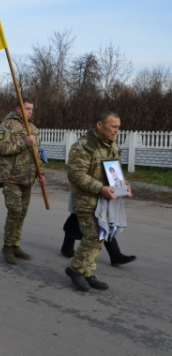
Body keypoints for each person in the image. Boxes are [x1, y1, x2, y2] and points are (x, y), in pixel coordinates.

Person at [65, 111, 132, 292]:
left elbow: (115, 170)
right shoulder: (84, 146)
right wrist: (100, 188)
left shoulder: (111, 144)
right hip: (86, 200)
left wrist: (124, 186)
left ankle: (88, 272)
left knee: (101, 236)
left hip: (105, 201)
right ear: (100, 125)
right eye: (114, 127)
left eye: (118, 127)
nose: (117, 131)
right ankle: (75, 269)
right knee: (94, 235)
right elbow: (75, 174)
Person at [0, 98, 46, 265]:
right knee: (15, 211)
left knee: (22, 213)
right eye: (27, 108)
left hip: (28, 177)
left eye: (32, 108)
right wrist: (24, 142)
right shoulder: (6, 125)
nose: (30, 111)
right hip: (11, 177)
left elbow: (37, 153)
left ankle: (15, 244)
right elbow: (1, 149)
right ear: (18, 109)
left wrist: (41, 173)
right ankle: (7, 246)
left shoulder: (33, 128)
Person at [61, 213, 136, 266]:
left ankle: (67, 248)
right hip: (84, 199)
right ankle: (115, 255)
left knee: (101, 223)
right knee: (101, 224)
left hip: (88, 200)